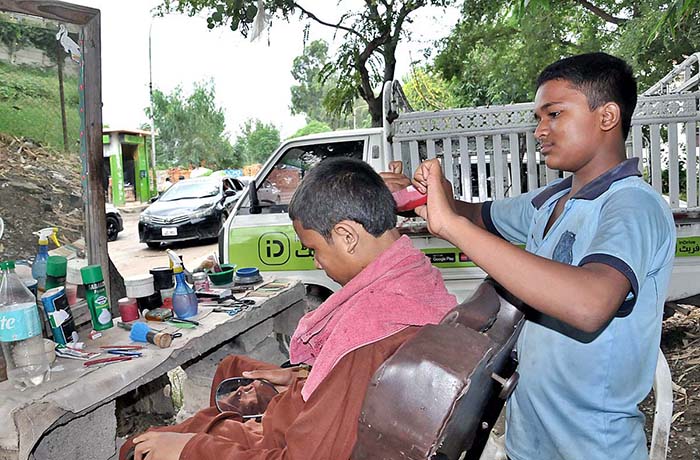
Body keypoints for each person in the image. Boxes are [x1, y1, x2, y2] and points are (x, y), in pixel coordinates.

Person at [406, 52, 675, 459]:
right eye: (538, 118)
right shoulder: (551, 201)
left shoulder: (632, 206)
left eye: (554, 114)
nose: (540, 130)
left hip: (594, 448)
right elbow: (478, 215)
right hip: (529, 440)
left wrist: (451, 227)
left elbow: (589, 304)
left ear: (607, 117)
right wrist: (429, 196)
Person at [123, 157, 456, 460]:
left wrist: (189, 450)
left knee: (136, 450)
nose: (316, 261)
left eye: (314, 248)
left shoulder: (366, 336)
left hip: (286, 438)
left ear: (346, 236)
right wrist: (300, 376)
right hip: (303, 414)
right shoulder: (413, 278)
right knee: (232, 366)